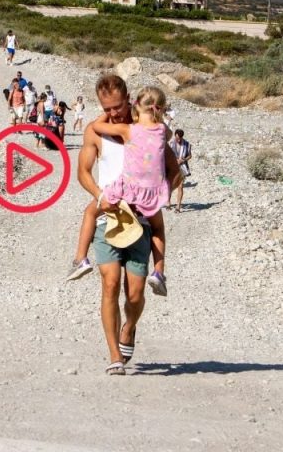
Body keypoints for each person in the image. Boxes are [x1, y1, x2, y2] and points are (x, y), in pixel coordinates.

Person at [71, 76, 181, 375]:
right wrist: (99, 195)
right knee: (109, 284)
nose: (114, 113)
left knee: (135, 294)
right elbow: (82, 171)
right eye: (107, 108)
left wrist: (160, 194)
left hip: (141, 219)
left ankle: (129, 326)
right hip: (110, 216)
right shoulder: (97, 132)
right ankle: (114, 355)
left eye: (118, 106)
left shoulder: (148, 130)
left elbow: (174, 170)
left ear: (129, 99)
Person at [168, 129, 192, 213]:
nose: (178, 140)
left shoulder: (187, 144)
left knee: (180, 186)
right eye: (177, 138)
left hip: (182, 167)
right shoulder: (171, 143)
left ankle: (178, 206)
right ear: (175, 136)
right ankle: (168, 202)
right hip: (172, 167)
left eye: (179, 138)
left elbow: (190, 155)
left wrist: (183, 159)